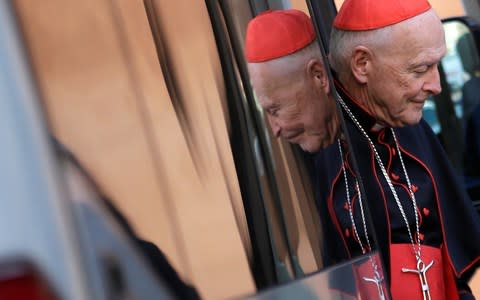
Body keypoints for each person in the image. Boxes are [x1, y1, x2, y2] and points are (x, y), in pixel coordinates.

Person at [245, 2, 480, 299]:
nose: (275, 128)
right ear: (360, 65)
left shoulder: (404, 119)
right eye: (421, 69)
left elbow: (448, 266)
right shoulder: (321, 150)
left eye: (276, 109)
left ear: (319, 77)